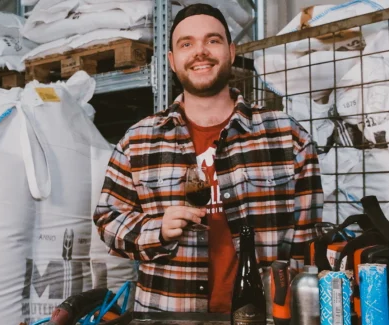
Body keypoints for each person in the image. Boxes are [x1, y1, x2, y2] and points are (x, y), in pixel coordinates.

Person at [93, 3, 323, 313]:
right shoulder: (138, 141)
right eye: (186, 44)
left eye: (212, 40)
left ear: (231, 50)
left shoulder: (287, 135)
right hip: (169, 317)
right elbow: (108, 221)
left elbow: (306, 242)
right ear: (173, 62)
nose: (200, 51)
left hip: (263, 315)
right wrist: (156, 230)